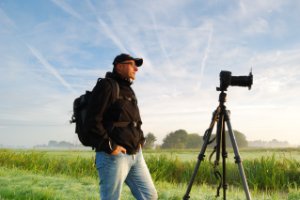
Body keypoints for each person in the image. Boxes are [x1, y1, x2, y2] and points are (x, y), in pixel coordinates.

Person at [85, 53, 158, 200]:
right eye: (132, 64)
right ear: (119, 66)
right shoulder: (106, 86)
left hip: (136, 154)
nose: (136, 69)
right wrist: (111, 146)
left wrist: (140, 140)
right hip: (113, 157)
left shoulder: (129, 90)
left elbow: (134, 120)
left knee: (150, 196)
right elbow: (92, 120)